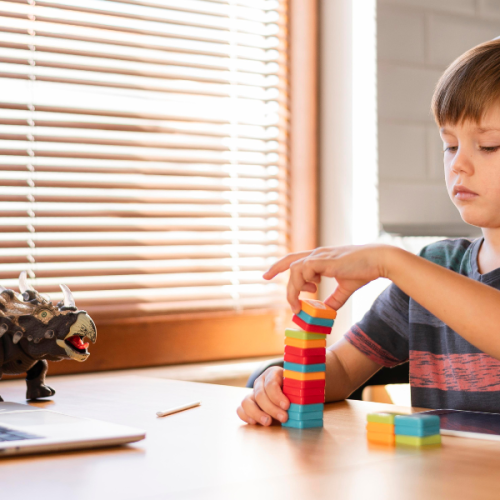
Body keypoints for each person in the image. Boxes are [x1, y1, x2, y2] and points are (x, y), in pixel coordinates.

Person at [237, 39, 500, 427]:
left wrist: (389, 261)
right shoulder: (435, 267)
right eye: (449, 145)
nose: (459, 164)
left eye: (489, 145)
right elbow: (342, 368)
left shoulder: (415, 273)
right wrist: (282, 382)